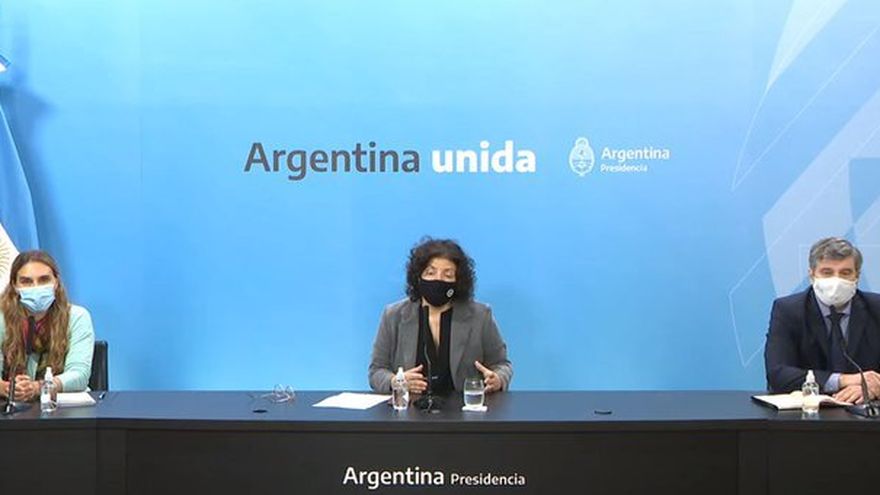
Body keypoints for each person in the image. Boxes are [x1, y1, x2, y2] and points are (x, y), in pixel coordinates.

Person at [369, 238, 513, 396]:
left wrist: (498, 379)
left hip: (464, 407)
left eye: (448, 275)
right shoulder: (393, 316)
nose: (438, 280)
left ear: (457, 282)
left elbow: (502, 365)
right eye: (430, 273)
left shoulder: (480, 316)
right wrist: (396, 381)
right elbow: (376, 371)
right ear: (418, 277)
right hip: (410, 407)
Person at [764, 237, 880, 403]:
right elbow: (778, 374)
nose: (836, 280)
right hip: (806, 413)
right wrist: (843, 380)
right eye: (827, 272)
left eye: (845, 273)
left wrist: (875, 387)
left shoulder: (876, 308)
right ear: (812, 275)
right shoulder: (789, 310)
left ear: (857, 276)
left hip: (864, 410)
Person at [0, 250, 95, 401]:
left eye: (44, 280)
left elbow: (79, 375)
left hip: (61, 408)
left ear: (56, 282)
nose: (36, 287)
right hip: (10, 408)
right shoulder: (2, 318)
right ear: (14, 286)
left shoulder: (77, 317)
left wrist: (38, 387)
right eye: (26, 281)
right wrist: (6, 388)